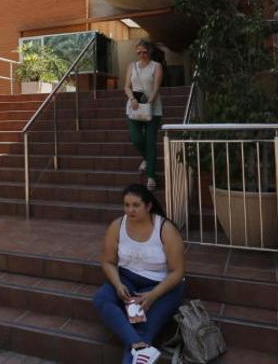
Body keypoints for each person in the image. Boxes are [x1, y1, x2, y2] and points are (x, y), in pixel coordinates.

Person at [92, 184, 185, 364]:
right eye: (126, 205)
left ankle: (137, 343)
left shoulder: (165, 229)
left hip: (163, 285)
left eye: (136, 205)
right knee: (101, 299)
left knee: (143, 329)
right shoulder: (117, 226)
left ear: (148, 206)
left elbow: (178, 271)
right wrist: (118, 285)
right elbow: (108, 262)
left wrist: (153, 295)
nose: (130, 210)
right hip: (127, 279)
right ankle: (140, 346)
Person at [124, 40, 163, 190]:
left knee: (150, 141)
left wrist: (149, 103)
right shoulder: (131, 66)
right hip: (133, 107)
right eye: (139, 52)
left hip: (153, 108)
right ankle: (147, 158)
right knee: (136, 138)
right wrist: (132, 99)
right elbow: (127, 87)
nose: (142, 55)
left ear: (150, 51)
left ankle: (151, 177)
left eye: (144, 52)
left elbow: (156, 87)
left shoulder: (156, 66)